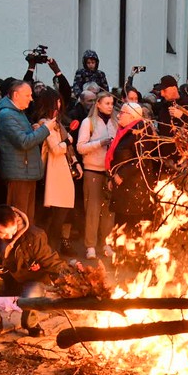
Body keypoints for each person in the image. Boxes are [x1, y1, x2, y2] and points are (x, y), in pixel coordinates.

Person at [0, 205, 71, 339]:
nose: (10, 236)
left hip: (28, 279)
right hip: (0, 279)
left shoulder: (34, 235)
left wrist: (70, 274)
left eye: (13, 230)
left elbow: (50, 260)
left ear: (16, 221)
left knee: (35, 291)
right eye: (3, 233)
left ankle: (31, 324)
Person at [0, 81, 56, 223]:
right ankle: (17, 246)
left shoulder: (18, 113)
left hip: (26, 171)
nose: (31, 98)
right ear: (16, 95)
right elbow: (23, 142)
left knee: (27, 218)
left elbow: (25, 137)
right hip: (18, 173)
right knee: (19, 220)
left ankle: (26, 245)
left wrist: (34, 129)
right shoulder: (6, 115)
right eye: (28, 95)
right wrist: (45, 129)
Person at [31, 87, 80, 250]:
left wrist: (75, 162)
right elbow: (56, 149)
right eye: (57, 100)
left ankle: (51, 250)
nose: (60, 103)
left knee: (60, 214)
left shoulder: (57, 123)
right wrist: (68, 142)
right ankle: (50, 250)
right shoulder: (47, 123)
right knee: (55, 217)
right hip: (54, 172)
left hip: (61, 171)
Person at [106, 102, 160, 238]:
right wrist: (113, 177)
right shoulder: (125, 132)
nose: (118, 115)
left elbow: (141, 159)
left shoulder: (141, 131)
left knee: (131, 230)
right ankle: (120, 255)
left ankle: (130, 257)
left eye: (122, 113)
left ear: (131, 116)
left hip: (135, 190)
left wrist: (122, 175)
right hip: (125, 189)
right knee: (121, 227)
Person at [77, 91, 117, 259]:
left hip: (109, 172)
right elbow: (81, 147)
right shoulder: (88, 122)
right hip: (92, 169)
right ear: (98, 104)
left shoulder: (115, 122)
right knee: (92, 210)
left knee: (109, 211)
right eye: (106, 103)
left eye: (112, 103)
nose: (110, 106)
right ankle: (90, 245)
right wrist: (100, 143)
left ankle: (105, 243)